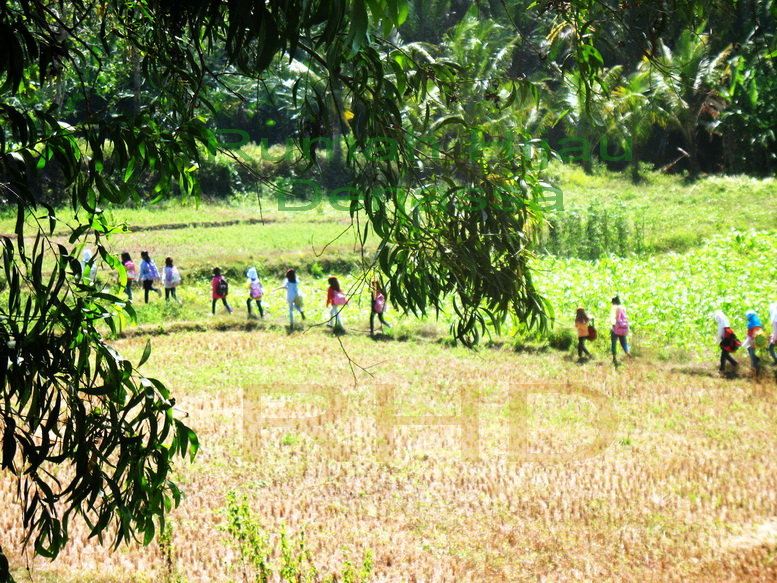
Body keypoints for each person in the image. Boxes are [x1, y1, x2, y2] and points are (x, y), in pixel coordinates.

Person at [610, 295, 631, 364]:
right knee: (624, 342)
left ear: (613, 302)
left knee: (614, 343)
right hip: (623, 327)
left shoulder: (614, 308)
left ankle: (614, 357)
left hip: (615, 328)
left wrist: (613, 324)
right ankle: (627, 352)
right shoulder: (623, 308)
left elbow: (613, 318)